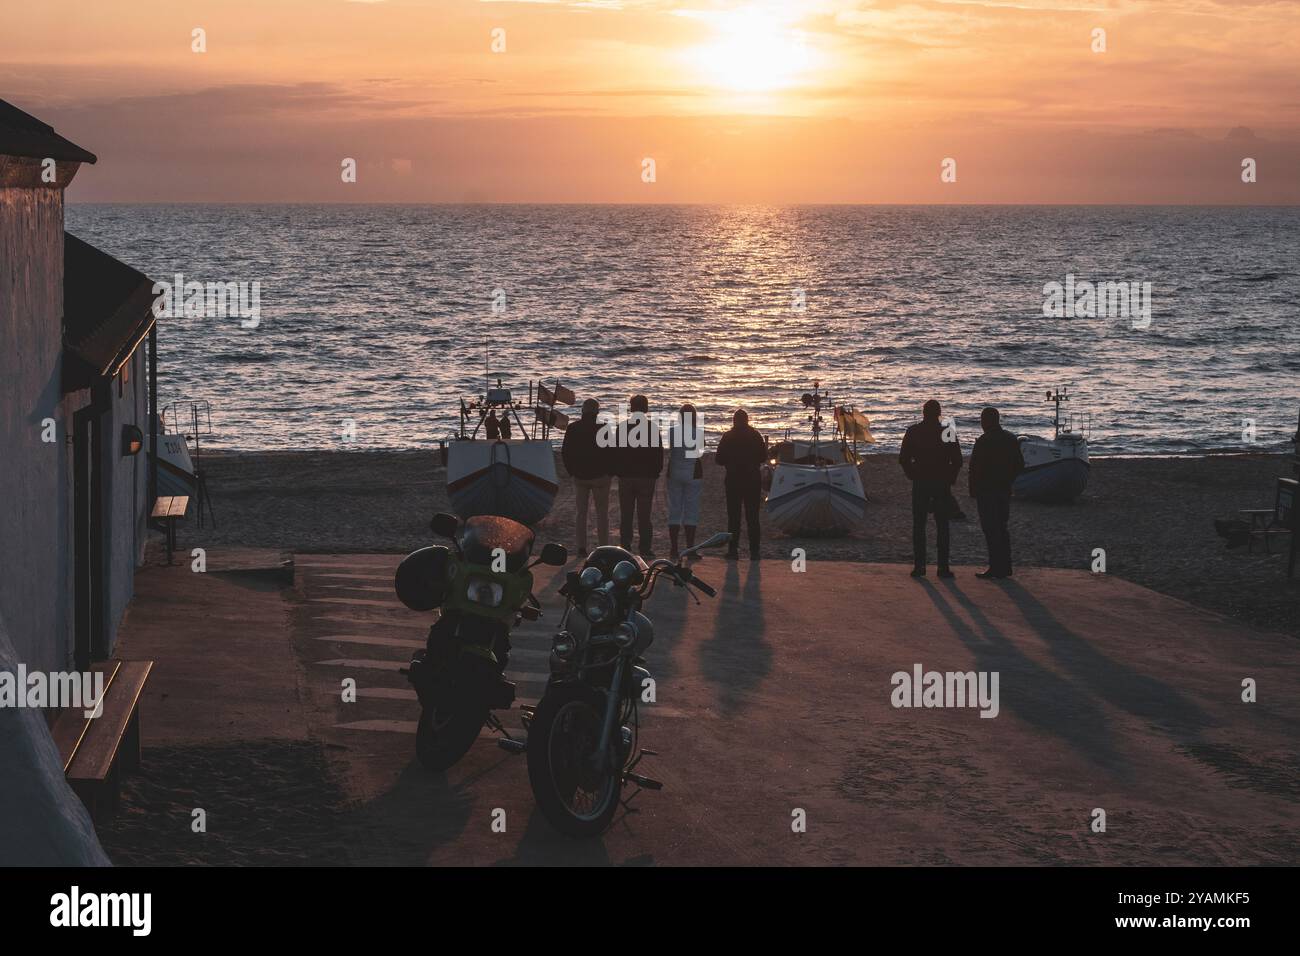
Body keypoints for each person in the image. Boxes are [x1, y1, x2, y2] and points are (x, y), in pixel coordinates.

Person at [898, 399, 963, 578]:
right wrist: (950, 479)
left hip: (921, 482)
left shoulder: (914, 431)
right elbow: (957, 460)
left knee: (919, 525)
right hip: (941, 483)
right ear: (939, 413)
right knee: (943, 526)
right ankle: (943, 567)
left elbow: (903, 459)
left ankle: (920, 566)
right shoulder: (947, 431)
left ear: (923, 413)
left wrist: (913, 475)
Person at [968, 406, 1024, 579]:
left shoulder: (984, 441)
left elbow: (974, 468)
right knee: (1002, 528)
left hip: (986, 490)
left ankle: (995, 567)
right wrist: (1009, 480)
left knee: (991, 529)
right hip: (1003, 489)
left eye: (982, 420)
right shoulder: (1010, 439)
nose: (981, 423)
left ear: (987, 421)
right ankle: (1005, 566)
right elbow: (1019, 464)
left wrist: (973, 489)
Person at [562, 399, 612, 555]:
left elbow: (565, 452)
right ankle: (603, 547)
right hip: (600, 477)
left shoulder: (573, 428)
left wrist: (571, 471)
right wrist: (609, 472)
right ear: (597, 412)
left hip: (580, 476)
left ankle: (581, 547)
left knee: (581, 513)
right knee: (602, 513)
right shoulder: (604, 428)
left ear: (582, 411)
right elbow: (612, 452)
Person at [615, 394, 663, 557]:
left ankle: (625, 546)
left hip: (626, 477)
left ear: (631, 408)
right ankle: (645, 547)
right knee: (644, 515)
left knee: (626, 514)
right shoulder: (652, 428)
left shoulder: (622, 427)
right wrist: (655, 472)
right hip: (646, 477)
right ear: (646, 409)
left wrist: (619, 471)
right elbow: (658, 454)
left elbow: (616, 452)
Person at [715, 408, 766, 560]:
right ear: (747, 420)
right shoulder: (756, 435)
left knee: (733, 517)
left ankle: (733, 550)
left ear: (734, 421)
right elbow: (763, 457)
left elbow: (719, 459)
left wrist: (731, 461)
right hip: (752, 480)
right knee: (753, 517)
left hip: (733, 480)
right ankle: (755, 552)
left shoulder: (728, 436)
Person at [665, 403, 705, 560]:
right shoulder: (698, 432)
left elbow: (672, 449)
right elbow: (700, 452)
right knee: (691, 510)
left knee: (675, 509)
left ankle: (674, 548)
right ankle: (690, 547)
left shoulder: (672, 431)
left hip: (675, 472)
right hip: (692, 472)